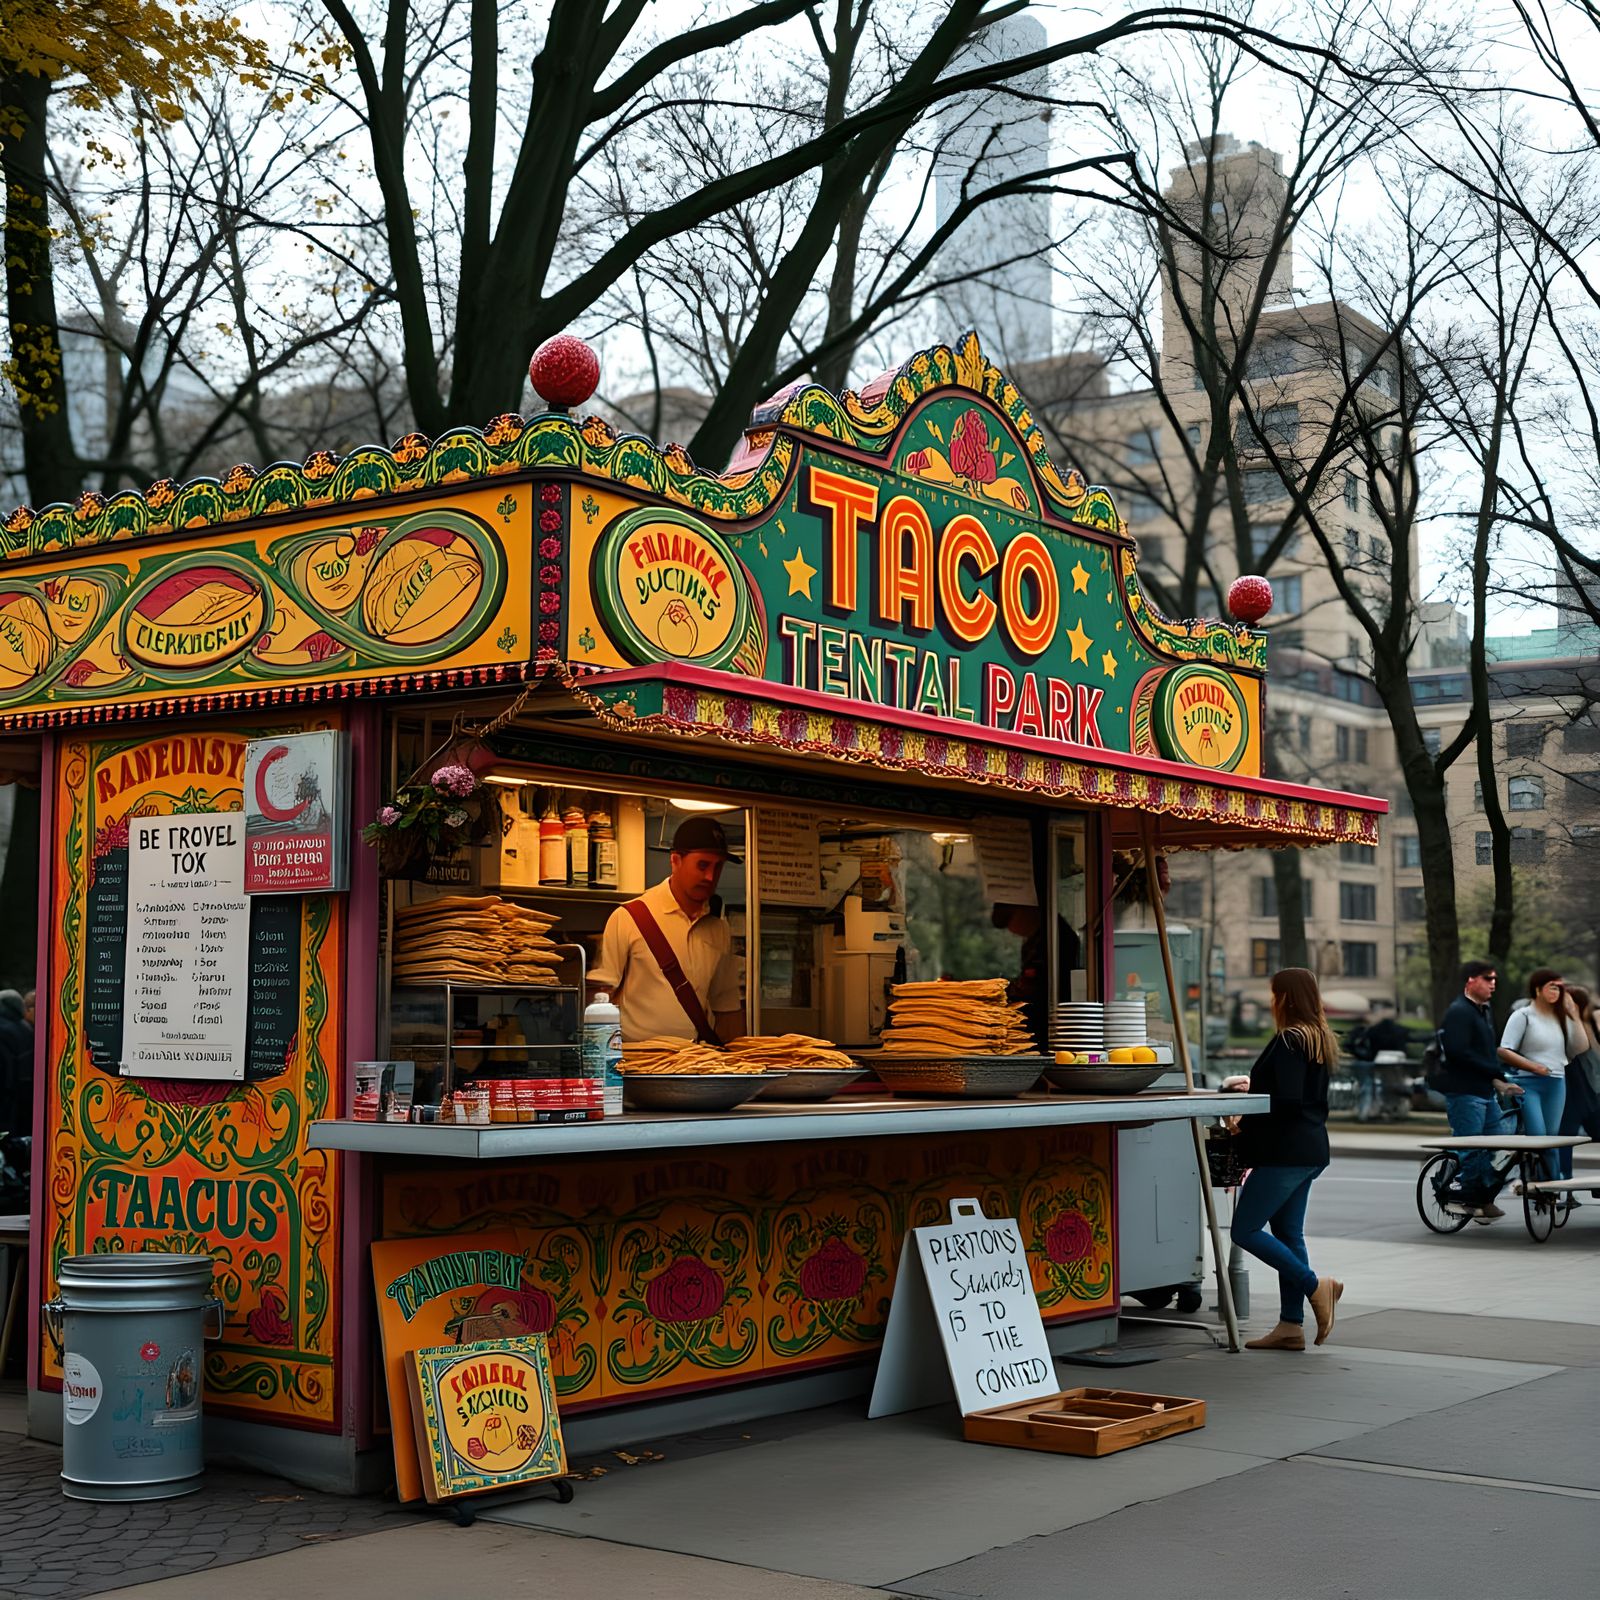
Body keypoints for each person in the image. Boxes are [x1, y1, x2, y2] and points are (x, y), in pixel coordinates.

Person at [1225, 967, 1344, 1352]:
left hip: (1284, 1151)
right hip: (1309, 1148)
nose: (1271, 1000)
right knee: (1289, 1235)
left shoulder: (1290, 1039)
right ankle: (1290, 1326)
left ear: (1286, 998)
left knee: (1244, 1229)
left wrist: (1245, 1118)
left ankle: (1314, 1286)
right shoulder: (1317, 1037)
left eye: (1274, 993)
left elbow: (1287, 1101)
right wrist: (1257, 1087)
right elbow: (1297, 1095)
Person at [588, 815, 743, 1044]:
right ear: (675, 860)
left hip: (697, 1064)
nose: (710, 876)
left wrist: (739, 1068)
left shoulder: (718, 929)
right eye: (702, 865)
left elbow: (726, 1006)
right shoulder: (629, 918)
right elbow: (599, 999)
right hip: (639, 1065)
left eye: (717, 866)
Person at [1437, 961, 1522, 1219]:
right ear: (1471, 980)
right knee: (1471, 1147)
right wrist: (1495, 1073)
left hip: (1485, 1093)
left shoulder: (1482, 1011)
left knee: (1500, 1147)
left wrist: (1498, 1081)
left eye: (1494, 979)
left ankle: (1482, 1197)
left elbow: (1485, 1053)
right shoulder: (1459, 1012)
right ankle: (1460, 1195)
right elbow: (1458, 1053)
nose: (1493, 983)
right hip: (1464, 1093)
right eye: (1488, 978)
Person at [1497, 969, 1583, 1182]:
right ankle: (1539, 1181)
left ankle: (1551, 1187)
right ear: (1538, 989)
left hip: (1556, 1083)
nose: (1557, 991)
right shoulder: (1523, 1016)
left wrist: (1574, 1014)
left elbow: (1581, 1047)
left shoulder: (1560, 1018)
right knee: (1538, 1136)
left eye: (1560, 988)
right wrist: (1534, 1067)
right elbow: (1504, 1050)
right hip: (1529, 1083)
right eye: (1553, 987)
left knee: (1552, 1138)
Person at [1554, 984, 1600, 1200]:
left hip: (1591, 1094)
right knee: (1565, 1139)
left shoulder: (1592, 1023)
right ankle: (1566, 1189)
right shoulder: (1562, 1027)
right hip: (1573, 1092)